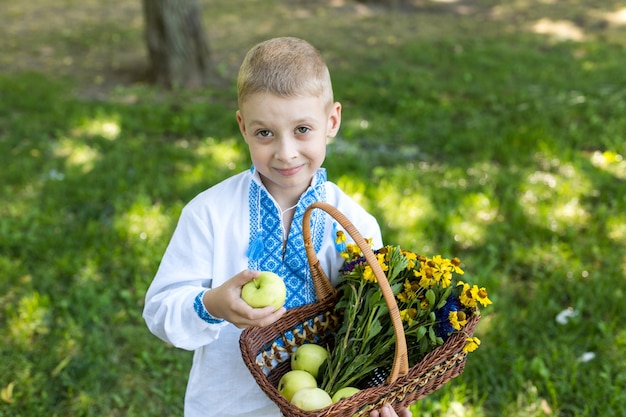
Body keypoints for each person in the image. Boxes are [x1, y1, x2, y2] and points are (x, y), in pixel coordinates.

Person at [143, 36, 412, 417]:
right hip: (226, 406)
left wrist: (375, 397)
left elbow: (374, 323)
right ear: (242, 126)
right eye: (265, 133)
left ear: (332, 121)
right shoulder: (209, 213)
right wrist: (211, 304)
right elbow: (160, 311)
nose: (285, 153)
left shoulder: (354, 225)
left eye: (302, 129)